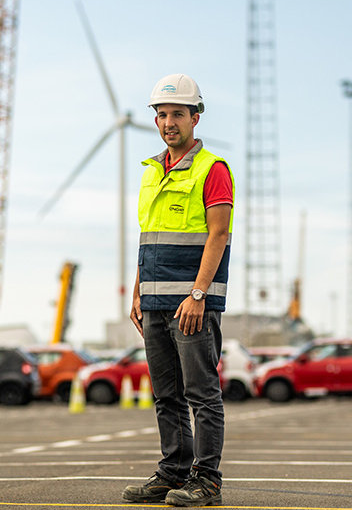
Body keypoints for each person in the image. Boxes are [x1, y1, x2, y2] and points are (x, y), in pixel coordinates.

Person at [122, 73, 233, 507]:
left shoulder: (213, 169)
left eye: (178, 114)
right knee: (165, 395)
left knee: (201, 394)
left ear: (196, 118)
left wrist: (199, 294)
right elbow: (148, 237)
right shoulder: (152, 171)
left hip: (192, 305)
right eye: (162, 114)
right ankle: (172, 473)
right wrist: (137, 293)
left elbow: (218, 235)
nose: (169, 122)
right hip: (153, 302)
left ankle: (207, 481)